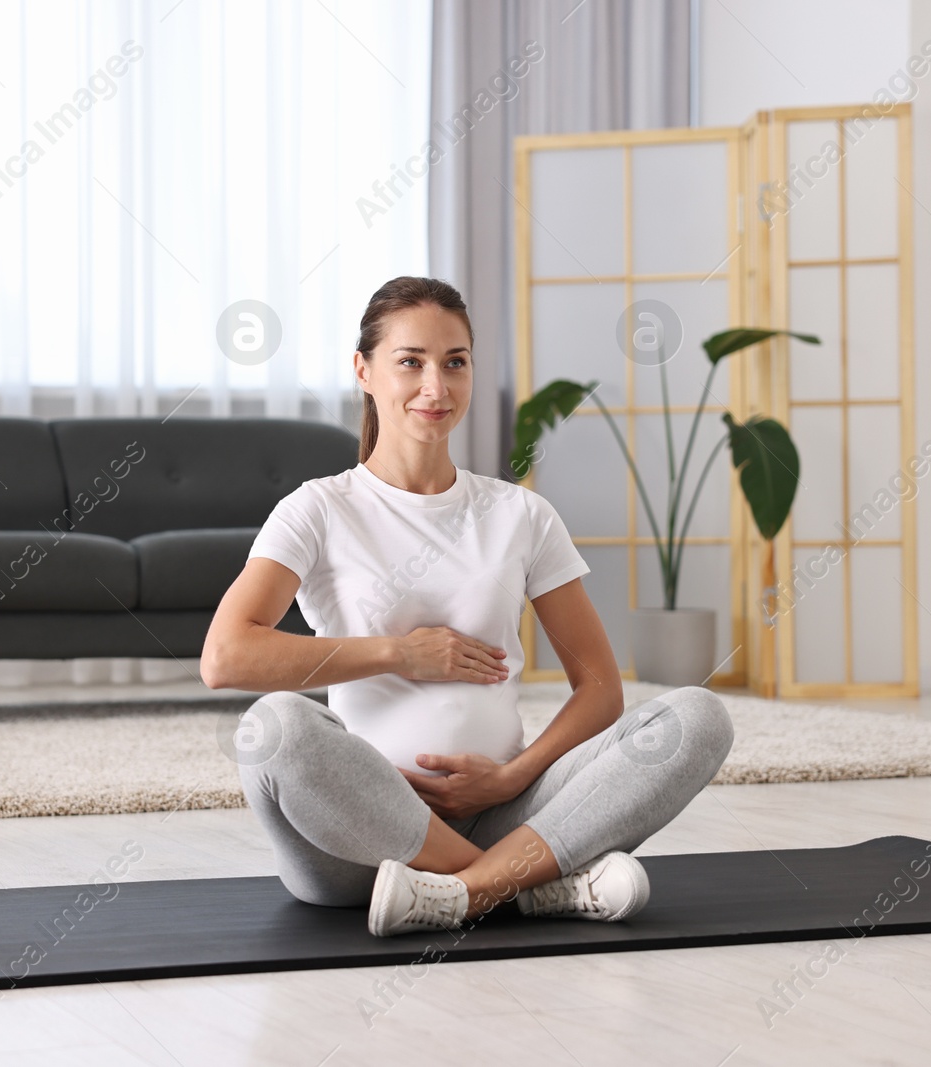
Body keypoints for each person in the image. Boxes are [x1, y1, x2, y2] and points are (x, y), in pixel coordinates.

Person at [200, 275, 734, 938]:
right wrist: (400, 652)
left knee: (698, 716)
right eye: (411, 362)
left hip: (507, 809)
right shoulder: (318, 508)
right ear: (363, 370)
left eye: (455, 362)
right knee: (274, 728)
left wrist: (509, 777)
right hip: (357, 841)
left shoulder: (520, 514)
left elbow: (599, 687)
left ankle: (463, 891)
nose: (436, 387)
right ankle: (527, 884)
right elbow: (225, 657)